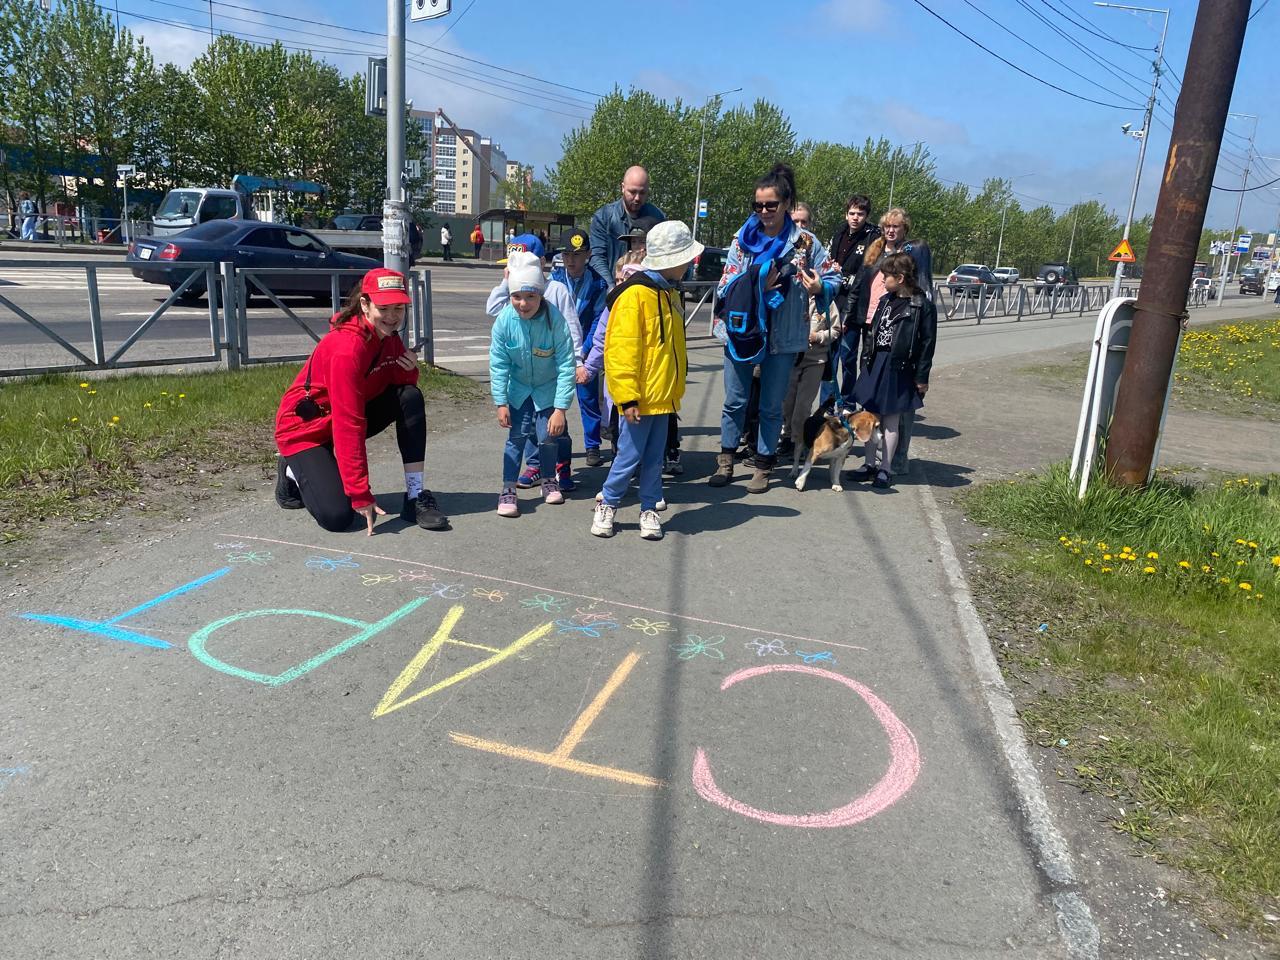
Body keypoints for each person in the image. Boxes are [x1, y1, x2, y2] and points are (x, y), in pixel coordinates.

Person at [273, 268, 448, 534]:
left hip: (339, 420)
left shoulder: (387, 337)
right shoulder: (347, 349)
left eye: (398, 309)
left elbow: (401, 387)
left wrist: (409, 369)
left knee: (410, 397)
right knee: (339, 518)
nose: (391, 318)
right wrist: (360, 493)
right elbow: (348, 423)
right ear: (365, 304)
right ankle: (292, 471)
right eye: (384, 308)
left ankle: (415, 494)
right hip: (306, 429)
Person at [711, 163, 841, 494]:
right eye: (758, 205)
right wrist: (755, 280)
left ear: (785, 204)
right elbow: (724, 284)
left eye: (771, 205)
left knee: (771, 406)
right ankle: (726, 460)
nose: (764, 211)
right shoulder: (743, 240)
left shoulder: (805, 244)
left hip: (782, 339)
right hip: (741, 333)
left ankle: (764, 465)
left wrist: (819, 288)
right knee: (735, 401)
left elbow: (833, 278)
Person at [591, 221, 697, 541]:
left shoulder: (667, 292)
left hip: (662, 396)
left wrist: (674, 389)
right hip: (639, 398)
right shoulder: (635, 295)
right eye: (685, 258)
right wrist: (627, 398)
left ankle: (648, 507)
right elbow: (622, 350)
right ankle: (608, 503)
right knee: (628, 456)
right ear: (670, 260)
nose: (690, 263)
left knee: (653, 459)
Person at [486, 233, 587, 490]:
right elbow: (493, 308)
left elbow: (571, 328)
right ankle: (535, 466)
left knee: (554, 429)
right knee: (528, 426)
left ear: (541, 260)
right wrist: (507, 280)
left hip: (551, 375)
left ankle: (560, 467)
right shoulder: (514, 295)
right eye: (512, 261)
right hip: (524, 374)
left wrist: (577, 360)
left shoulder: (556, 290)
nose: (523, 302)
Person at [847, 206, 933, 474]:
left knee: (895, 417)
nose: (891, 230)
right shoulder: (876, 254)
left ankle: (892, 464)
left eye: (896, 226)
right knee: (870, 411)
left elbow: (926, 341)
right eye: (887, 226)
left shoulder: (918, 296)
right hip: (876, 344)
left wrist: (922, 376)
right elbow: (861, 287)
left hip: (900, 356)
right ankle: (870, 463)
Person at [779, 205, 838, 455]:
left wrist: (819, 336)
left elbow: (836, 329)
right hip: (791, 355)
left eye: (804, 222)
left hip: (815, 357)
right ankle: (784, 437)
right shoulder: (789, 293)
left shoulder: (823, 294)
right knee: (786, 401)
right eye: (795, 222)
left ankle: (798, 441)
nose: (800, 227)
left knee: (803, 404)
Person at [550, 228, 609, 466]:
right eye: (566, 255)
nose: (571, 260)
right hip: (555, 350)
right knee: (553, 400)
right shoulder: (554, 281)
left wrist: (583, 350)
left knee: (588, 398)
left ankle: (592, 446)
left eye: (577, 254)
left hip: (584, 349)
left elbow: (598, 320)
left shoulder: (597, 283)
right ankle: (553, 443)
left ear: (588, 255)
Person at [827, 195, 880, 408]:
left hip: (856, 303)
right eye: (852, 213)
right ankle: (828, 401)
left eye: (860, 214)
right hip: (834, 300)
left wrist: (844, 276)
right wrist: (833, 270)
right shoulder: (839, 232)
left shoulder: (872, 237)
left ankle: (848, 402)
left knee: (848, 357)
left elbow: (867, 271)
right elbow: (830, 262)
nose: (855, 218)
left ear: (867, 216)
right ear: (846, 214)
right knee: (829, 356)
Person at [589, 166, 666, 287]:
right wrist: (612, 288)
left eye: (642, 193)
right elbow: (597, 257)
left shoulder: (657, 217)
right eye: (633, 192)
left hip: (648, 288)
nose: (637, 198)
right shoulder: (603, 217)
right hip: (613, 288)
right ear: (623, 188)